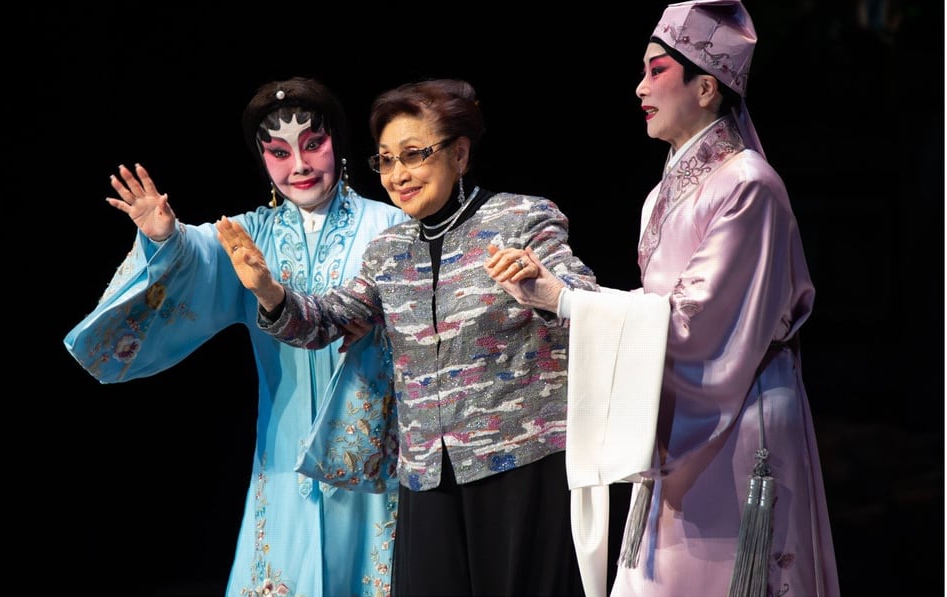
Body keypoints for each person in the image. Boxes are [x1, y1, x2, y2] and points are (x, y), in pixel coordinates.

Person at [486, 1, 841, 596]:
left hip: (737, 412)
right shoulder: (661, 195)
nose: (639, 87)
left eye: (656, 71)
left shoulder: (748, 185)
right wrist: (555, 293)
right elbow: (658, 317)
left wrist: (567, 302)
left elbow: (697, 327)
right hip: (675, 412)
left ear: (706, 87)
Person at [215, 78, 598, 596]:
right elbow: (325, 321)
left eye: (414, 155)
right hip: (427, 476)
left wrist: (547, 289)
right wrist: (268, 291)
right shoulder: (388, 250)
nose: (398, 175)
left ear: (460, 154)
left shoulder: (520, 219)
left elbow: (586, 300)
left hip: (520, 465)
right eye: (387, 160)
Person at [63, 77, 409, 597]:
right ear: (262, 159)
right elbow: (197, 256)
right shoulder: (251, 237)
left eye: (313, 144)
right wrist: (163, 238)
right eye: (279, 152)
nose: (299, 165)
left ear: (338, 142)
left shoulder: (391, 226)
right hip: (285, 444)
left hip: (375, 440)